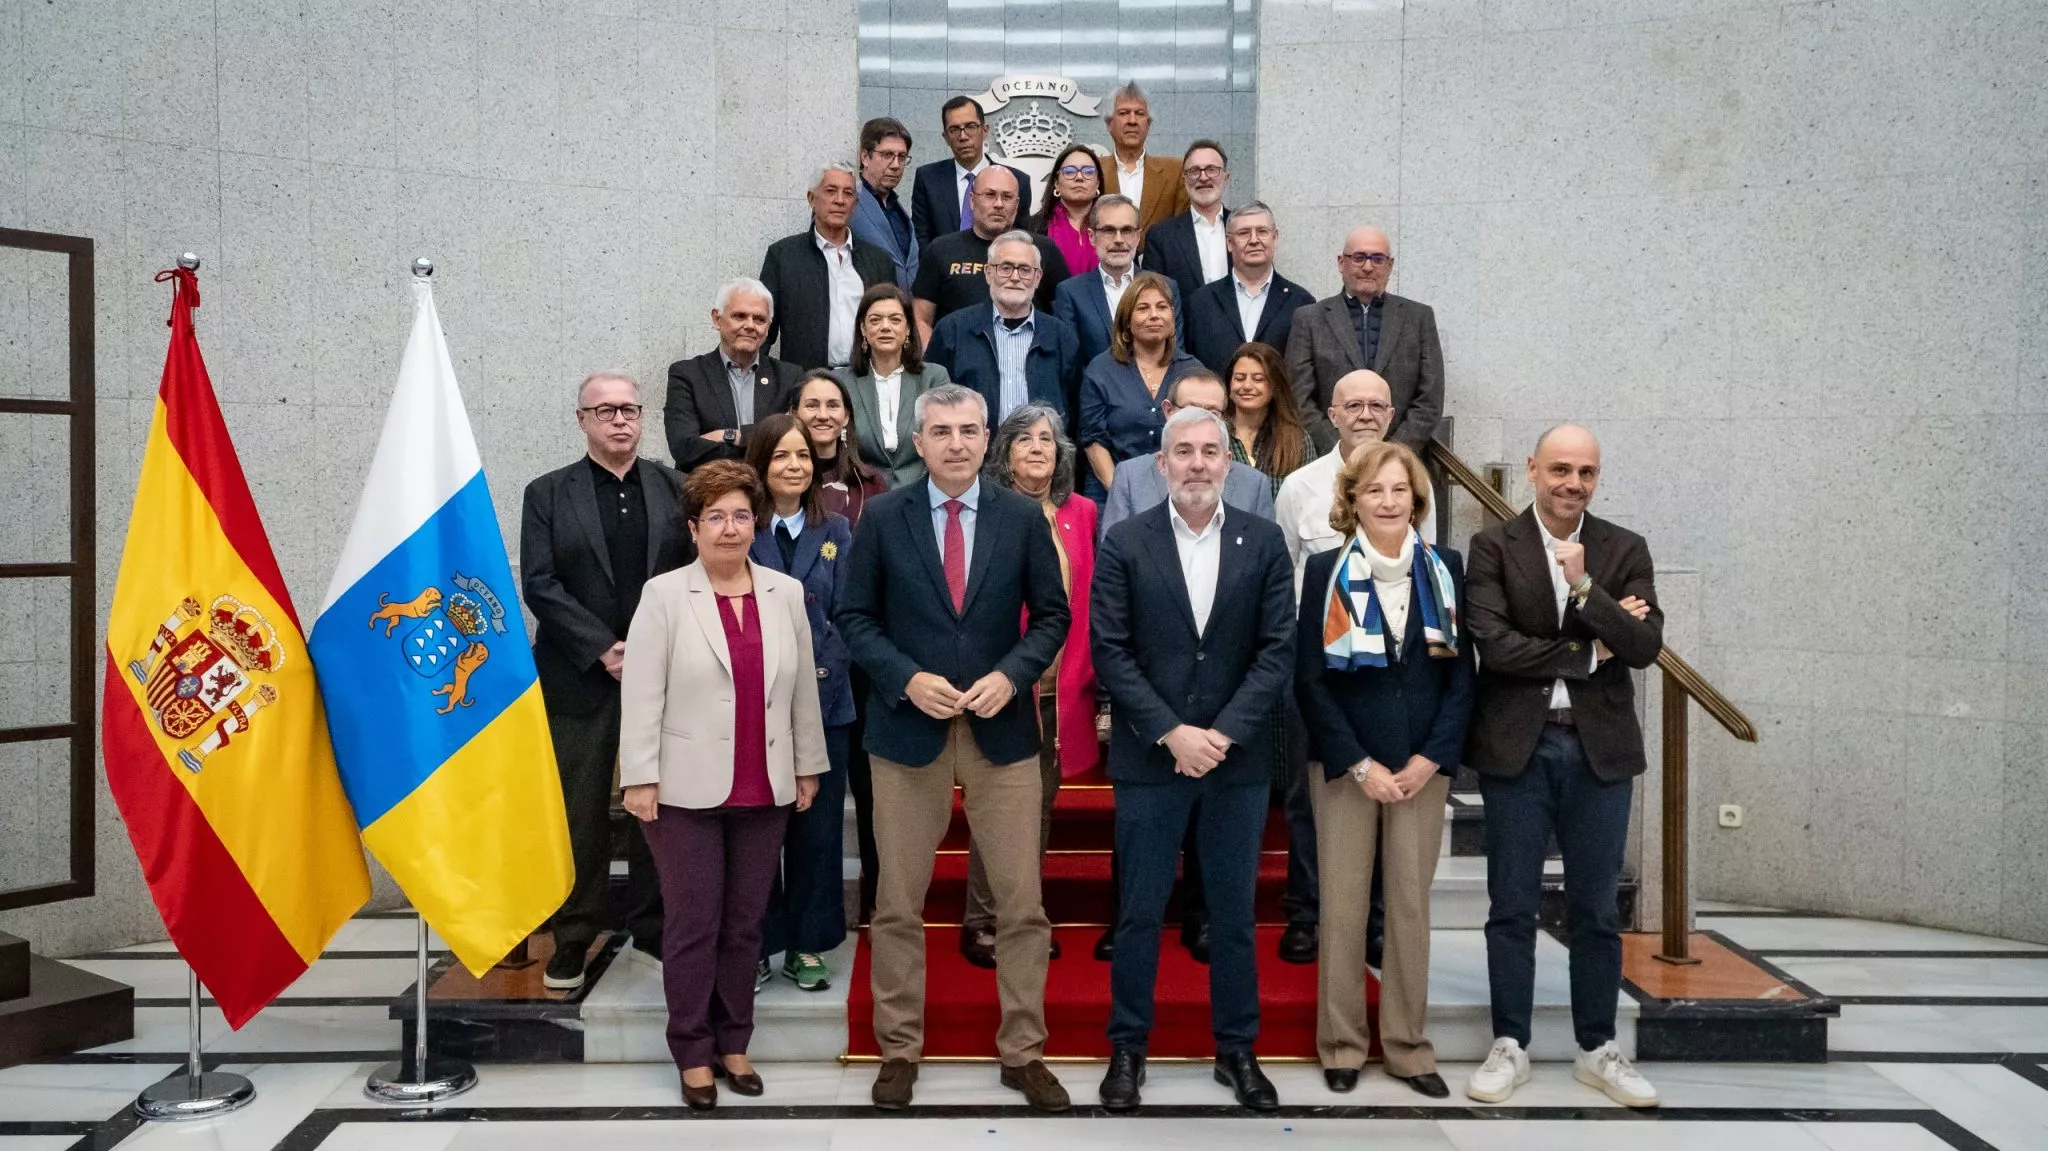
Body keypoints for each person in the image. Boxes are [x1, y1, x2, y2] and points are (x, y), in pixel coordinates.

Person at [838, 384, 1073, 1114]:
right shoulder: (880, 516)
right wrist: (906, 678)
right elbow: (853, 615)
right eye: (941, 430)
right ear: (919, 439)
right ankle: (898, 1049)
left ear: (986, 439)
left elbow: (1054, 615)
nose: (957, 443)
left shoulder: (1021, 517)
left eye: (971, 429)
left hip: (1002, 732)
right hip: (909, 732)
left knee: (1021, 903)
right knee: (899, 902)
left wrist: (1014, 674)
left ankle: (1024, 1051)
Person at [1090, 405, 1295, 1114]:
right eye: (1185, 451)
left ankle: (1237, 1048)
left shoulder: (1265, 542)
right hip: (1152, 759)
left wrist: (1221, 734)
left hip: (1236, 763)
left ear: (1229, 464)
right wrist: (1173, 732)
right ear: (1162, 464)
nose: (1198, 463)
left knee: (1234, 915)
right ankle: (1128, 1048)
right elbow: (1110, 650)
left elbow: (1276, 651)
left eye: (1211, 451)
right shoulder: (1124, 540)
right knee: (1139, 913)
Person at [1461, 424, 1663, 1110]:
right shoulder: (1492, 546)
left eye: (1586, 471)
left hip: (1598, 749)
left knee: (1596, 908)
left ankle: (1597, 1046)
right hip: (1519, 745)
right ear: (1532, 469)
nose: (1572, 482)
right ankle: (1509, 1042)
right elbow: (1495, 647)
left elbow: (1642, 644)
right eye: (1559, 469)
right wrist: (1588, 650)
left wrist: (1586, 590)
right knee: (1511, 903)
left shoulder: (1623, 548)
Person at [618, 461, 828, 1110]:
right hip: (680, 793)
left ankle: (735, 1040)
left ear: (755, 522)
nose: (730, 528)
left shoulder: (783, 593)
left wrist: (806, 765)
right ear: (694, 526)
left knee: (745, 923)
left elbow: (799, 692)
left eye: (741, 515)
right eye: (716, 516)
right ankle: (692, 1047)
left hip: (762, 788)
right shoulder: (664, 594)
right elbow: (642, 690)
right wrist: (640, 777)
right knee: (692, 922)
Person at [1295, 440, 1473, 1099]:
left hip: (1423, 767)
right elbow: (1310, 681)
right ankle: (1341, 1043)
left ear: (1416, 499)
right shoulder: (1323, 572)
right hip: (1348, 768)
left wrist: (1431, 759)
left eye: (1400, 490)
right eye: (1375, 491)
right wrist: (1360, 763)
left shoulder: (1446, 567)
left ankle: (1406, 1046)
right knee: (1341, 907)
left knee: (1407, 907)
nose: (1389, 501)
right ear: (1354, 501)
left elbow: (1462, 681)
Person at [522, 372, 694, 989]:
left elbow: (693, 576)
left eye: (629, 409)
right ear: (582, 419)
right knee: (581, 810)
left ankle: (654, 927)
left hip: (667, 676)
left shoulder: (676, 488)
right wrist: (603, 649)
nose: (620, 420)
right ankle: (573, 936)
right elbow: (539, 583)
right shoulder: (546, 493)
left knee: (660, 806)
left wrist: (652, 650)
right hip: (579, 678)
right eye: (605, 410)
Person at [955, 404, 1101, 969]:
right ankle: (981, 921)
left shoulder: (1083, 512)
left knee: (1037, 810)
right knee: (998, 811)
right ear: (1004, 451)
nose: (1038, 446)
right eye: (1024, 439)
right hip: (1003, 686)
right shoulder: (986, 511)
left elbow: (1091, 601)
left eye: (1048, 438)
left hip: (1062, 688)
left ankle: (1021, 917)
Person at [743, 414, 854, 993]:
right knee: (758, 830)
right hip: (750, 704)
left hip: (827, 699)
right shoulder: (740, 528)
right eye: (782, 456)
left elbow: (854, 614)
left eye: (804, 457)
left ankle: (808, 944)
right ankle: (758, 943)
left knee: (817, 830)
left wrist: (827, 674)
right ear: (759, 464)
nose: (794, 466)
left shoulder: (836, 527)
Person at [1286, 226, 1444, 454]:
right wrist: (1342, 451)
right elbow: (1298, 398)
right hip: (1331, 461)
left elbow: (1430, 399)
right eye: (1359, 258)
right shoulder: (1309, 319)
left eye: (1378, 259)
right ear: (1341, 263)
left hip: (1400, 462)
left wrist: (1391, 453)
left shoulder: (1418, 318)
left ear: (1390, 266)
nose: (1368, 267)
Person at [925, 230, 1083, 428]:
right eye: (1006, 268)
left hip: (1041, 456)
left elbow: (1076, 411)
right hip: (976, 457)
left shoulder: (1061, 337)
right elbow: (931, 403)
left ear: (1037, 278)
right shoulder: (951, 331)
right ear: (989, 273)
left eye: (1025, 269)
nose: (1015, 277)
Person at [1076, 271, 1204, 499]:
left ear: (1173, 317)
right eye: (1143, 308)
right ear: (1126, 321)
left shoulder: (1192, 372)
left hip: (1180, 494)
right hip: (1112, 491)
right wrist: (1123, 494)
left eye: (1162, 307)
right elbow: (1094, 441)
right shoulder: (1101, 370)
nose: (1154, 315)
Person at [1098, 370, 1274, 534]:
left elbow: (1265, 557)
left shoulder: (1254, 486)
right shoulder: (1131, 478)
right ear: (1168, 411)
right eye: (1191, 410)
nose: (1200, 421)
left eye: (1212, 413)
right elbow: (1113, 554)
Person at [759, 163, 895, 371]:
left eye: (848, 193)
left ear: (855, 204)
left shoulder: (878, 261)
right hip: (806, 380)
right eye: (830, 191)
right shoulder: (783, 256)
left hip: (865, 379)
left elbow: (894, 323)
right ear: (812, 199)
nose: (839, 200)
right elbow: (763, 327)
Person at [1275, 370, 1396, 593]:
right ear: (1333, 416)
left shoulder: (1412, 486)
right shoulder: (1298, 487)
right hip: (1317, 623)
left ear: (1390, 415)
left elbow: (1423, 565)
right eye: (1354, 406)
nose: (1366, 415)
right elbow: (1282, 575)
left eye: (1377, 406)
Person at [664, 279, 805, 470]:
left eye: (759, 319)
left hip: (768, 493)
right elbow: (684, 448)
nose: (750, 325)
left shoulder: (789, 377)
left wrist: (733, 436)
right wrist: (763, 444)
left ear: (768, 326)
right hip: (708, 492)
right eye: (739, 316)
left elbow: (797, 441)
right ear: (717, 319)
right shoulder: (687, 374)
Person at [915, 167, 1069, 334]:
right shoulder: (941, 250)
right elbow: (920, 319)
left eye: (1007, 197)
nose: (998, 204)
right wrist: (933, 359)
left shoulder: (1042, 250)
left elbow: (1064, 316)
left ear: (1017, 205)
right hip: (955, 356)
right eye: (989, 195)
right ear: (972, 201)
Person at [837, 284, 950, 490]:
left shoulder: (934, 378)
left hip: (922, 492)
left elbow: (944, 439)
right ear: (863, 329)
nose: (885, 327)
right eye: (875, 320)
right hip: (860, 493)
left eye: (895, 319)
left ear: (907, 328)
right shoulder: (841, 381)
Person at [1183, 203, 1310, 374]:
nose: (1254, 240)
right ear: (1229, 242)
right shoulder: (1200, 302)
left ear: (1275, 237)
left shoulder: (1301, 303)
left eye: (1262, 232)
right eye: (1244, 233)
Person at [1052, 194, 1176, 367]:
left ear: (1137, 237)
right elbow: (1070, 362)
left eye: (1126, 230)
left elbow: (1174, 353)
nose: (1119, 240)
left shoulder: (1166, 287)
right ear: (1092, 236)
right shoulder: (1071, 292)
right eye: (1109, 230)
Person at [911, 95, 1033, 252]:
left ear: (985, 130)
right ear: (946, 137)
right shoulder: (928, 178)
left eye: (970, 127)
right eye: (954, 130)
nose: (963, 136)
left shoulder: (1016, 180)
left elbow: (1020, 238)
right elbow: (921, 239)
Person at [787, 369, 887, 527]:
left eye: (832, 406)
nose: (823, 415)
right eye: (812, 405)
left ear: (846, 416)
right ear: (793, 414)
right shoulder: (780, 477)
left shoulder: (871, 484)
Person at [1140, 140, 1230, 306]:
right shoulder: (1161, 237)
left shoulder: (1244, 229)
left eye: (1212, 170)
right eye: (1194, 171)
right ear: (1184, 179)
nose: (1203, 177)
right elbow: (1153, 298)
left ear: (1226, 177)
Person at [1099, 82, 1188, 239]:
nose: (1132, 120)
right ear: (1109, 124)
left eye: (1139, 113)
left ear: (1148, 124)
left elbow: (1183, 229)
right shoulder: (1093, 170)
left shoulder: (1175, 171)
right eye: (1123, 113)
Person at [1225, 342, 1311, 496]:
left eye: (1258, 379)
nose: (1247, 386)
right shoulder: (1216, 434)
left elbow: (1308, 499)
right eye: (1239, 378)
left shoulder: (1298, 440)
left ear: (1275, 386)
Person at [853, 117, 919, 290]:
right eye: (887, 155)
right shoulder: (848, 202)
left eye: (902, 157)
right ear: (865, 157)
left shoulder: (898, 210)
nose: (896, 165)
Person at [1030, 143, 1103, 279]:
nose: (1079, 178)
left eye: (1088, 172)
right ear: (1056, 183)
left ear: (1098, 182)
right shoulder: (1032, 227)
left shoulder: (1114, 225)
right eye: (1069, 172)